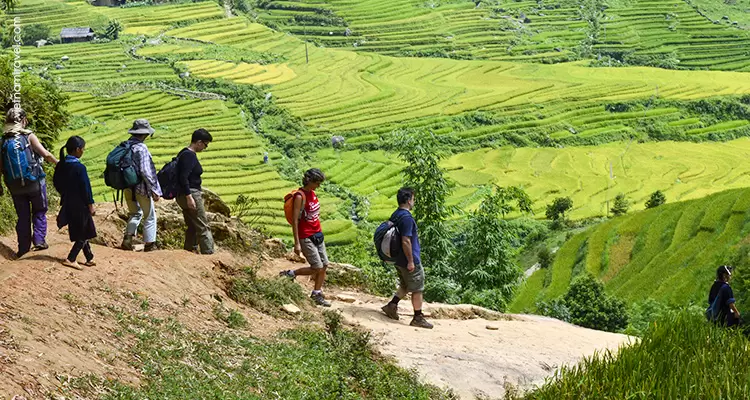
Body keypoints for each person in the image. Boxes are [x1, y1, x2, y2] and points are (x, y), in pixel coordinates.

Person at [0, 108, 58, 258]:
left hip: (14, 185)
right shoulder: (28, 136)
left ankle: (23, 249)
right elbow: (45, 154)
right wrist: (60, 164)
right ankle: (39, 240)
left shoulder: (3, 141)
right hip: (34, 182)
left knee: (23, 216)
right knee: (39, 210)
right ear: (23, 120)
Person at [381, 187, 433, 329]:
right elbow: (406, 241)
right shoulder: (407, 218)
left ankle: (392, 305)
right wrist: (411, 261)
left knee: (405, 284)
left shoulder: (396, 214)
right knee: (417, 288)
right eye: (413, 199)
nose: (413, 202)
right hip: (408, 259)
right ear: (409, 200)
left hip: (398, 258)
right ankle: (417, 317)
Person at [279, 168, 331, 307]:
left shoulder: (312, 194)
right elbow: (295, 220)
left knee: (325, 264)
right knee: (317, 267)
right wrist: (297, 243)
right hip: (306, 236)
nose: (319, 186)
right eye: (317, 183)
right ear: (310, 182)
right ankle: (291, 273)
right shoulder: (300, 197)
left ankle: (317, 293)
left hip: (317, 234)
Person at [53, 136, 96, 270]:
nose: (83, 152)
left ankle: (89, 257)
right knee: (82, 232)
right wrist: (90, 205)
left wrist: (65, 194)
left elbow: (56, 182)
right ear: (77, 150)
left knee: (85, 228)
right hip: (80, 204)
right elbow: (86, 188)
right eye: (82, 149)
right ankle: (71, 258)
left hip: (68, 202)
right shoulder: (79, 168)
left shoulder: (62, 164)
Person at [121, 119, 162, 252]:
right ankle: (150, 244)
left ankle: (127, 239)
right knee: (149, 215)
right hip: (141, 188)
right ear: (145, 134)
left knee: (134, 213)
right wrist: (155, 189)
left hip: (127, 186)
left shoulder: (125, 145)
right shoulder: (141, 148)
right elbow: (145, 171)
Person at [174, 128, 214, 255]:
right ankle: (209, 253)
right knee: (203, 226)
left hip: (182, 193)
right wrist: (189, 197)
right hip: (190, 193)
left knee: (192, 225)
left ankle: (189, 250)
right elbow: (183, 177)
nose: (205, 148)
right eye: (205, 145)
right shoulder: (189, 155)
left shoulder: (183, 153)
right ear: (199, 142)